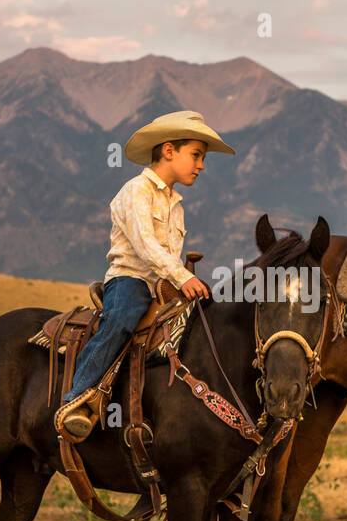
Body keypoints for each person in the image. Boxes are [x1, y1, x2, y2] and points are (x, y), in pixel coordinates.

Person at [55, 111, 234, 440]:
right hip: (130, 281)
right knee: (123, 319)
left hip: (163, 288)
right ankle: (77, 399)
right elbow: (145, 246)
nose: (202, 165)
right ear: (169, 151)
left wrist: (182, 283)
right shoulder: (136, 190)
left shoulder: (175, 204)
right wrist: (183, 278)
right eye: (196, 155)